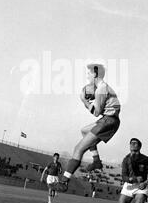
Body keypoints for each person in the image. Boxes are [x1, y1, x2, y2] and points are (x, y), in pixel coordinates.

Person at [51, 63, 121, 192]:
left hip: (108, 120)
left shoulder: (101, 89)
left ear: (95, 74)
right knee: (84, 130)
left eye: (88, 73)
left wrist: (84, 100)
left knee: (78, 149)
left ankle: (64, 182)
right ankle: (96, 160)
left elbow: (96, 112)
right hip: (109, 119)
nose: (87, 75)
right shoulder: (101, 87)